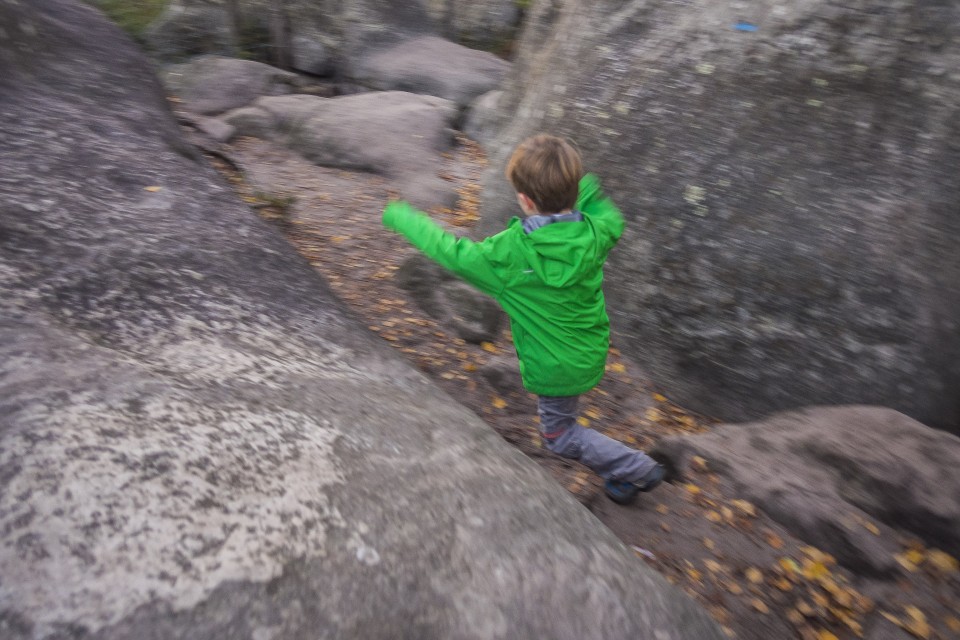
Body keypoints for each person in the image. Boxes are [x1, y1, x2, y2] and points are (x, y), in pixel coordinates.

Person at [382, 134, 664, 504]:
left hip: (556, 368)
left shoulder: (510, 256)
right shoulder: (594, 231)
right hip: (591, 347)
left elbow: (451, 252)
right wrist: (587, 189)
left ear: (525, 200)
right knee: (566, 413)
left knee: (560, 437)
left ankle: (636, 469)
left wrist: (404, 217)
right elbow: (612, 218)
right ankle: (626, 472)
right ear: (572, 190)